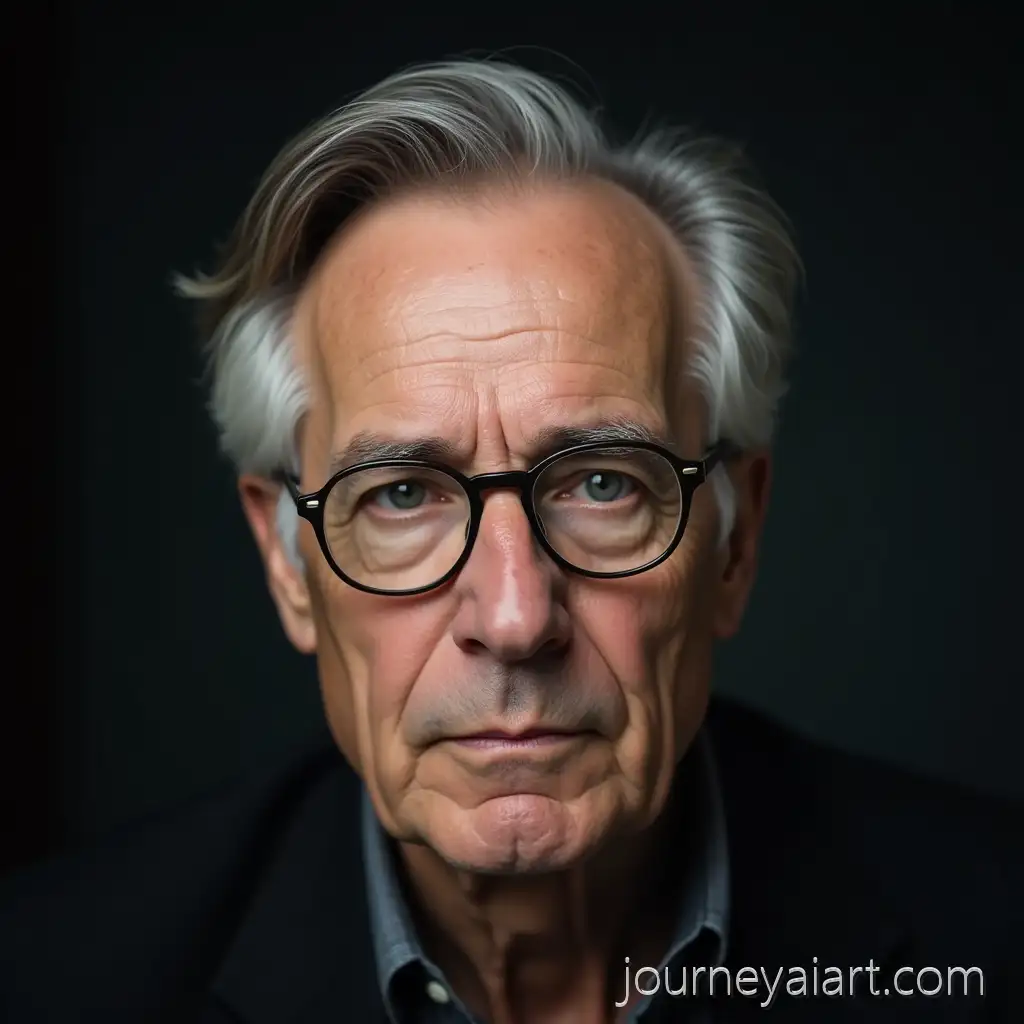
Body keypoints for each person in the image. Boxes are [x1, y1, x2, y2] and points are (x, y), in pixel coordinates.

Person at [2, 59, 1021, 1024]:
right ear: (287, 563)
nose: (515, 614)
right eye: (401, 492)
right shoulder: (50, 976)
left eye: (602, 482)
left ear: (734, 536)